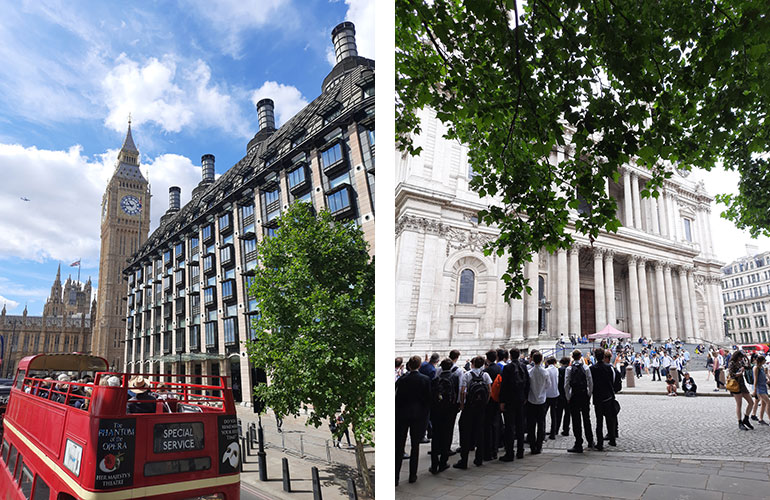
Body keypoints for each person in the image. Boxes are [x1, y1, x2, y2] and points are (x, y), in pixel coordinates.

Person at [395, 355, 431, 485]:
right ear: (419, 366)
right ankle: (412, 475)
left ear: (409, 366)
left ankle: (395, 477)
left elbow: (397, 398)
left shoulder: (402, 379)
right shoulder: (425, 380)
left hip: (402, 415)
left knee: (399, 446)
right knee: (415, 446)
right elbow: (428, 401)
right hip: (418, 417)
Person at [454, 356, 492, 469]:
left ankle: (464, 460)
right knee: (480, 431)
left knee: (465, 432)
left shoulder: (467, 375)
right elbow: (489, 390)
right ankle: (479, 458)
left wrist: (462, 404)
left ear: (473, 364)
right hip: (481, 408)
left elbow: (462, 391)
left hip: (469, 407)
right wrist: (485, 402)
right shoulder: (485, 375)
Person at [499, 348, 529, 461]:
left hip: (510, 400)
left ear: (511, 356)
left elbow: (504, 386)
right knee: (520, 425)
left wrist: (502, 401)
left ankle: (510, 453)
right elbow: (528, 383)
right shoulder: (524, 366)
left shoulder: (508, 367)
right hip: (521, 400)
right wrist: (525, 396)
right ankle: (520, 451)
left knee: (510, 427)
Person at [429, 358, 458, 474]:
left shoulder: (436, 379)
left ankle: (434, 464)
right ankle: (443, 462)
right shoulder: (455, 377)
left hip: (437, 411)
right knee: (447, 435)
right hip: (449, 411)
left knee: (436, 437)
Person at [565, 349, 593, 453]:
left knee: (576, 420)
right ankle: (590, 441)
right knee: (587, 419)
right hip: (584, 395)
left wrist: (568, 397)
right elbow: (590, 383)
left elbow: (566, 385)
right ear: (581, 356)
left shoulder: (569, 369)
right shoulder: (586, 367)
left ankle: (578, 443)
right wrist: (589, 395)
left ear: (572, 357)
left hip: (574, 396)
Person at [590, 348, 616, 451]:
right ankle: (612, 439)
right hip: (608, 396)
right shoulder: (608, 368)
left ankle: (600, 443)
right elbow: (612, 381)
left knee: (599, 421)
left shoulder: (592, 368)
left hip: (598, 397)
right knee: (609, 419)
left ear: (595, 356)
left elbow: (590, 383)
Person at [526, 350, 551, 455]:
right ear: (541, 360)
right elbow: (548, 385)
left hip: (531, 400)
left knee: (531, 425)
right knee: (541, 424)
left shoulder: (530, 372)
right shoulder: (545, 372)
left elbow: (527, 386)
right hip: (541, 401)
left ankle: (532, 446)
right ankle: (539, 446)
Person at [727, 351, 754, 430]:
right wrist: (738, 374)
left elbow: (749, 367)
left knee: (751, 402)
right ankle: (740, 422)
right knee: (739, 404)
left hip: (742, 385)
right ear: (737, 356)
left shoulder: (740, 362)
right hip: (736, 385)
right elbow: (731, 374)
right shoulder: (732, 363)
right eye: (740, 357)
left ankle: (746, 419)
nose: (741, 359)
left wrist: (747, 360)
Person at [483, 350, 502, 461]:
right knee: (496, 424)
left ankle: (489, 450)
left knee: (488, 426)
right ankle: (495, 449)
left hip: (489, 400)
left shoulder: (487, 371)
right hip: (497, 399)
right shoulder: (500, 369)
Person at [555, 356, 571, 437]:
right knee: (567, 413)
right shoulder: (570, 370)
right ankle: (566, 429)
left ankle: (556, 429)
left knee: (558, 413)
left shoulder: (559, 370)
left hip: (560, 394)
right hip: (568, 394)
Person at [545, 357, 560, 440]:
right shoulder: (556, 370)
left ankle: (543, 431)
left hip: (547, 394)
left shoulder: (546, 370)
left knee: (544, 414)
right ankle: (553, 432)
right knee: (553, 414)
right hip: (555, 393)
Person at [752, 355, 769, 425]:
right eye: (764, 360)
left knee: (764, 403)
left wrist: (766, 373)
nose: (765, 361)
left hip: (763, 387)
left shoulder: (762, 367)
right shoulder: (756, 368)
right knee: (768, 402)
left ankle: (760, 419)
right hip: (759, 388)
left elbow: (763, 378)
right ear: (761, 361)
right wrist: (755, 390)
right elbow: (755, 379)